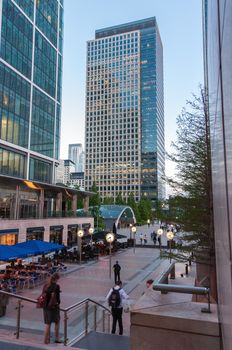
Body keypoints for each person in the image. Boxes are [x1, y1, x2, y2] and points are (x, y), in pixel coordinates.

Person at [42, 272, 61, 344]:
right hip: (53, 307)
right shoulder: (56, 286)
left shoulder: (46, 285)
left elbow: (43, 295)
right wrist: (58, 303)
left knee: (47, 323)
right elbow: (58, 299)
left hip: (45, 307)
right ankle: (57, 338)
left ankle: (45, 341)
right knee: (57, 321)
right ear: (57, 279)